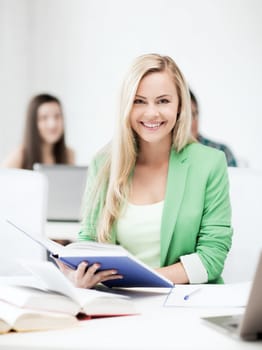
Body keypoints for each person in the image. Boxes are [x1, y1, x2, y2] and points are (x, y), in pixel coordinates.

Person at [56, 53, 233, 288]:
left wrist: (145, 280)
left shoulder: (210, 163)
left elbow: (212, 258)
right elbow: (88, 240)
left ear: (180, 105)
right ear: (126, 107)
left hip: (187, 304)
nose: (152, 113)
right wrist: (76, 273)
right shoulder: (104, 163)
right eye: (139, 101)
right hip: (120, 303)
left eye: (163, 101)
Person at [1, 93, 74, 169]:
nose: (52, 124)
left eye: (57, 116)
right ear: (33, 123)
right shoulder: (20, 156)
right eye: (44, 118)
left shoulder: (69, 154)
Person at [190, 89, 237, 167]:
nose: (189, 122)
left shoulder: (221, 152)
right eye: (184, 116)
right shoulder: (165, 154)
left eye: (193, 114)